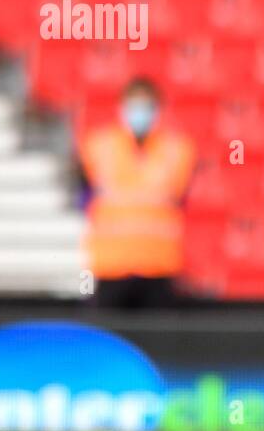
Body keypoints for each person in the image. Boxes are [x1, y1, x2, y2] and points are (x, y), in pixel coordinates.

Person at [78, 77, 196, 309]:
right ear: (121, 107)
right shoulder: (98, 146)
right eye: (134, 106)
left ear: (158, 110)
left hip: (159, 264)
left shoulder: (178, 150)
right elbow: (83, 197)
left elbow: (181, 198)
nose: (140, 114)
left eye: (147, 107)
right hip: (110, 264)